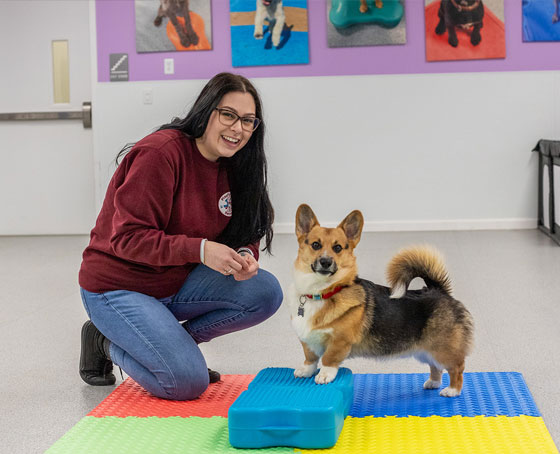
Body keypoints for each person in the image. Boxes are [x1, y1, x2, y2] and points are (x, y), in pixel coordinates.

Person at [78, 73, 283, 400]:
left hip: (174, 280)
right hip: (117, 286)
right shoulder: (161, 154)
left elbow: (247, 227)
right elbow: (128, 239)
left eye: (248, 120)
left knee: (265, 291)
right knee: (186, 382)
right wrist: (201, 250)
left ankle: (174, 343)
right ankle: (104, 342)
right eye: (228, 115)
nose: (238, 128)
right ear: (207, 110)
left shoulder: (236, 164)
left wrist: (244, 253)